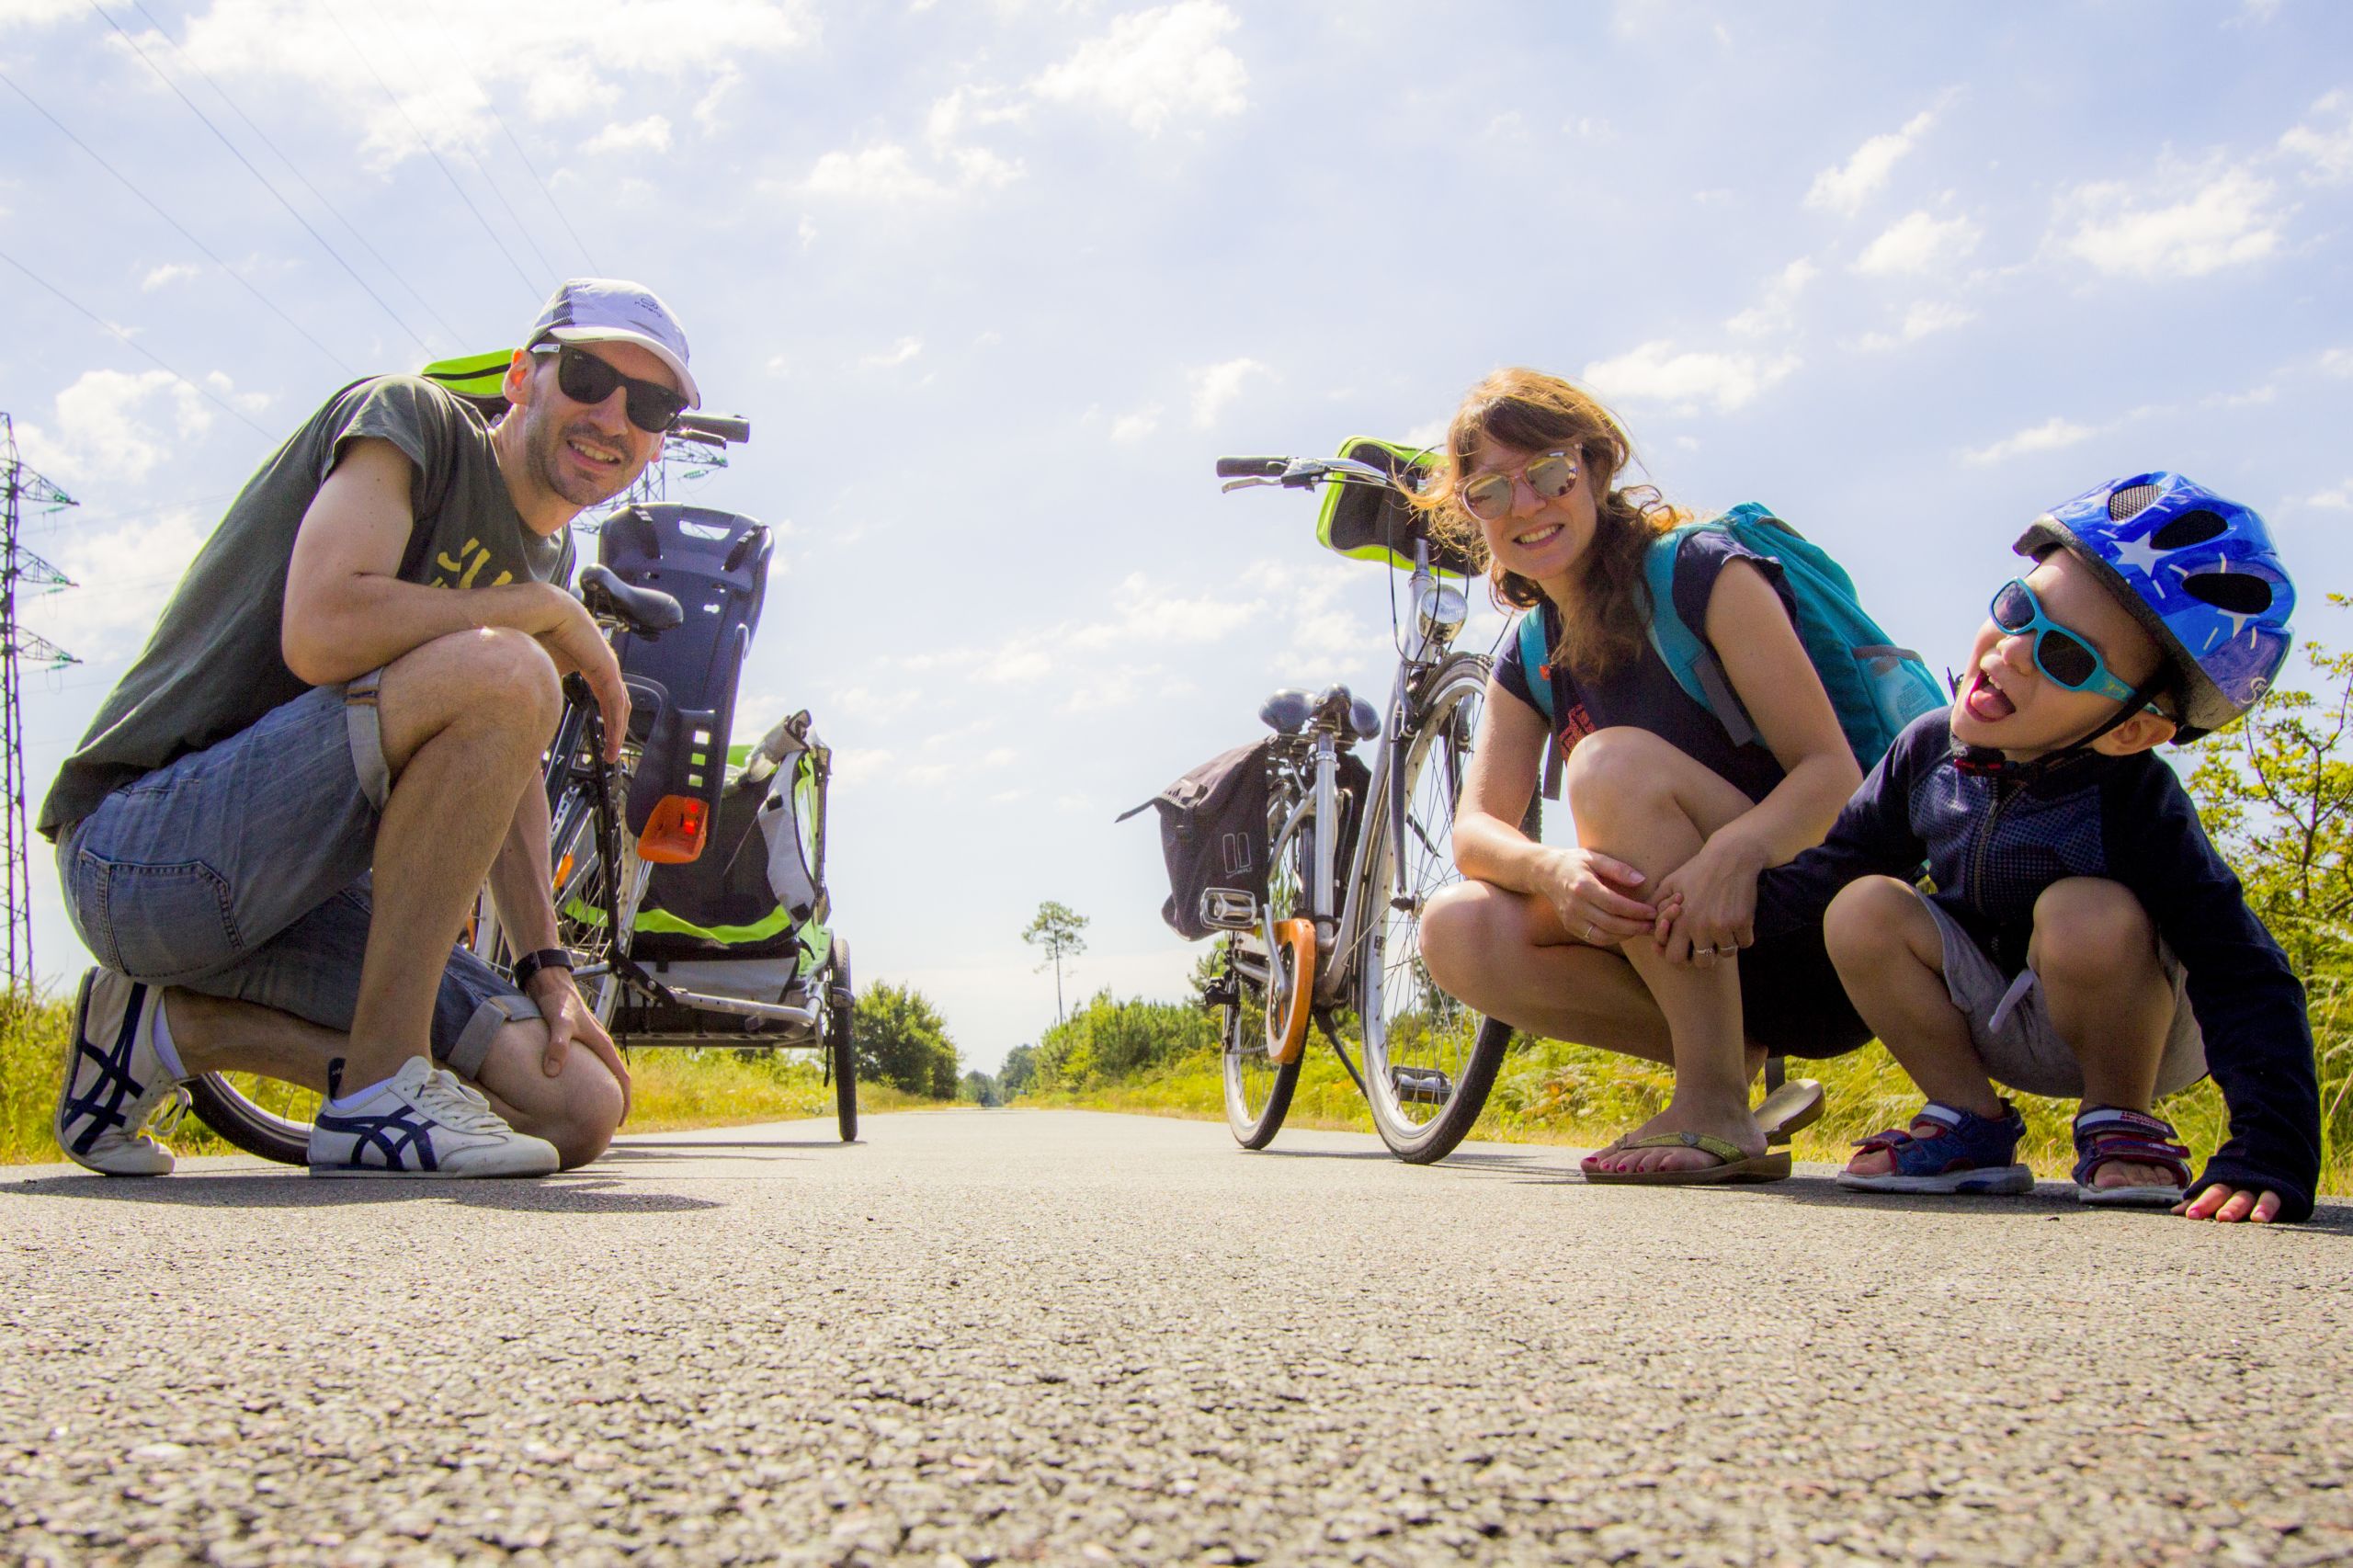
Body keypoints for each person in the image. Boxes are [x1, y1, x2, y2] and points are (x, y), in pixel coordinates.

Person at [45, 278, 701, 1177]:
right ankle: (378, 1089)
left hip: (302, 897)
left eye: (651, 402)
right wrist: (535, 611)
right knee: (507, 664)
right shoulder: (413, 423)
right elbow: (321, 628)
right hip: (141, 857)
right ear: (522, 377)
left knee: (578, 1102)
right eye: (587, 375)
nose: (613, 415)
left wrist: (547, 965)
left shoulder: (549, 555)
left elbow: (500, 770)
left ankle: (160, 1031)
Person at [1756, 473, 2318, 1222]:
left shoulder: (2133, 797)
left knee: (2084, 907)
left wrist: (2271, 1149)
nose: (2013, 652)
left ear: (2129, 732)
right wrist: (1707, 920)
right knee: (1861, 905)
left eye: (2070, 660)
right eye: (2021, 610)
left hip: (2138, 1024)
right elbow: (1831, 871)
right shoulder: (1929, 749)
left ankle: (2121, 1120)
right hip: (1991, 1011)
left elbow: (2239, 967)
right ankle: (1966, 1123)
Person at [1415, 368, 1874, 1184]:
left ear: (1593, 468)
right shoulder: (1527, 651)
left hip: (1820, 924)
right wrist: (1550, 871)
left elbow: (1831, 773)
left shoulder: (1700, 572)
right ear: (1472, 516)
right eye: (1489, 492)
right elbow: (1477, 832)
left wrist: (1732, 854)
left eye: (1549, 473)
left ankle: (1711, 1102)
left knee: (1608, 767)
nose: (1526, 506)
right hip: (1696, 953)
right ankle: (1728, 1063)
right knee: (1454, 929)